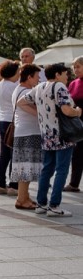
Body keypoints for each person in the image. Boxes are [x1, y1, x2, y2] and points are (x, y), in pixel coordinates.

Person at [25, 63, 79, 217]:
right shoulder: (59, 87)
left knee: (47, 169)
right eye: (65, 73)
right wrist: (78, 112)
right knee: (62, 170)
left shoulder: (40, 87)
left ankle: (41, 203)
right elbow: (66, 110)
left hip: (46, 134)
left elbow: (22, 101)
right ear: (57, 74)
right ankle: (54, 205)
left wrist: (41, 115)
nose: (67, 76)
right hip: (62, 135)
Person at [10, 64, 42, 210]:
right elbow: (21, 104)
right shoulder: (27, 91)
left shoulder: (17, 89)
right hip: (28, 132)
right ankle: (21, 199)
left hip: (22, 131)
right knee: (26, 166)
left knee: (25, 165)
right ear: (29, 77)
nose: (39, 79)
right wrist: (38, 114)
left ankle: (24, 196)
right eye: (37, 76)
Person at [0, 60, 20, 196]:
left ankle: (0, 184)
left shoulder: (0, 85)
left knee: (4, 154)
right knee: (14, 154)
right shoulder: (13, 86)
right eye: (18, 72)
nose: (19, 75)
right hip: (12, 121)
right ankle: (13, 185)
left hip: (2, 119)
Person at [64, 56, 83, 193]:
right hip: (77, 123)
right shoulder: (73, 83)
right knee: (77, 154)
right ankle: (74, 183)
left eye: (78, 66)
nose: (75, 70)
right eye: (74, 67)